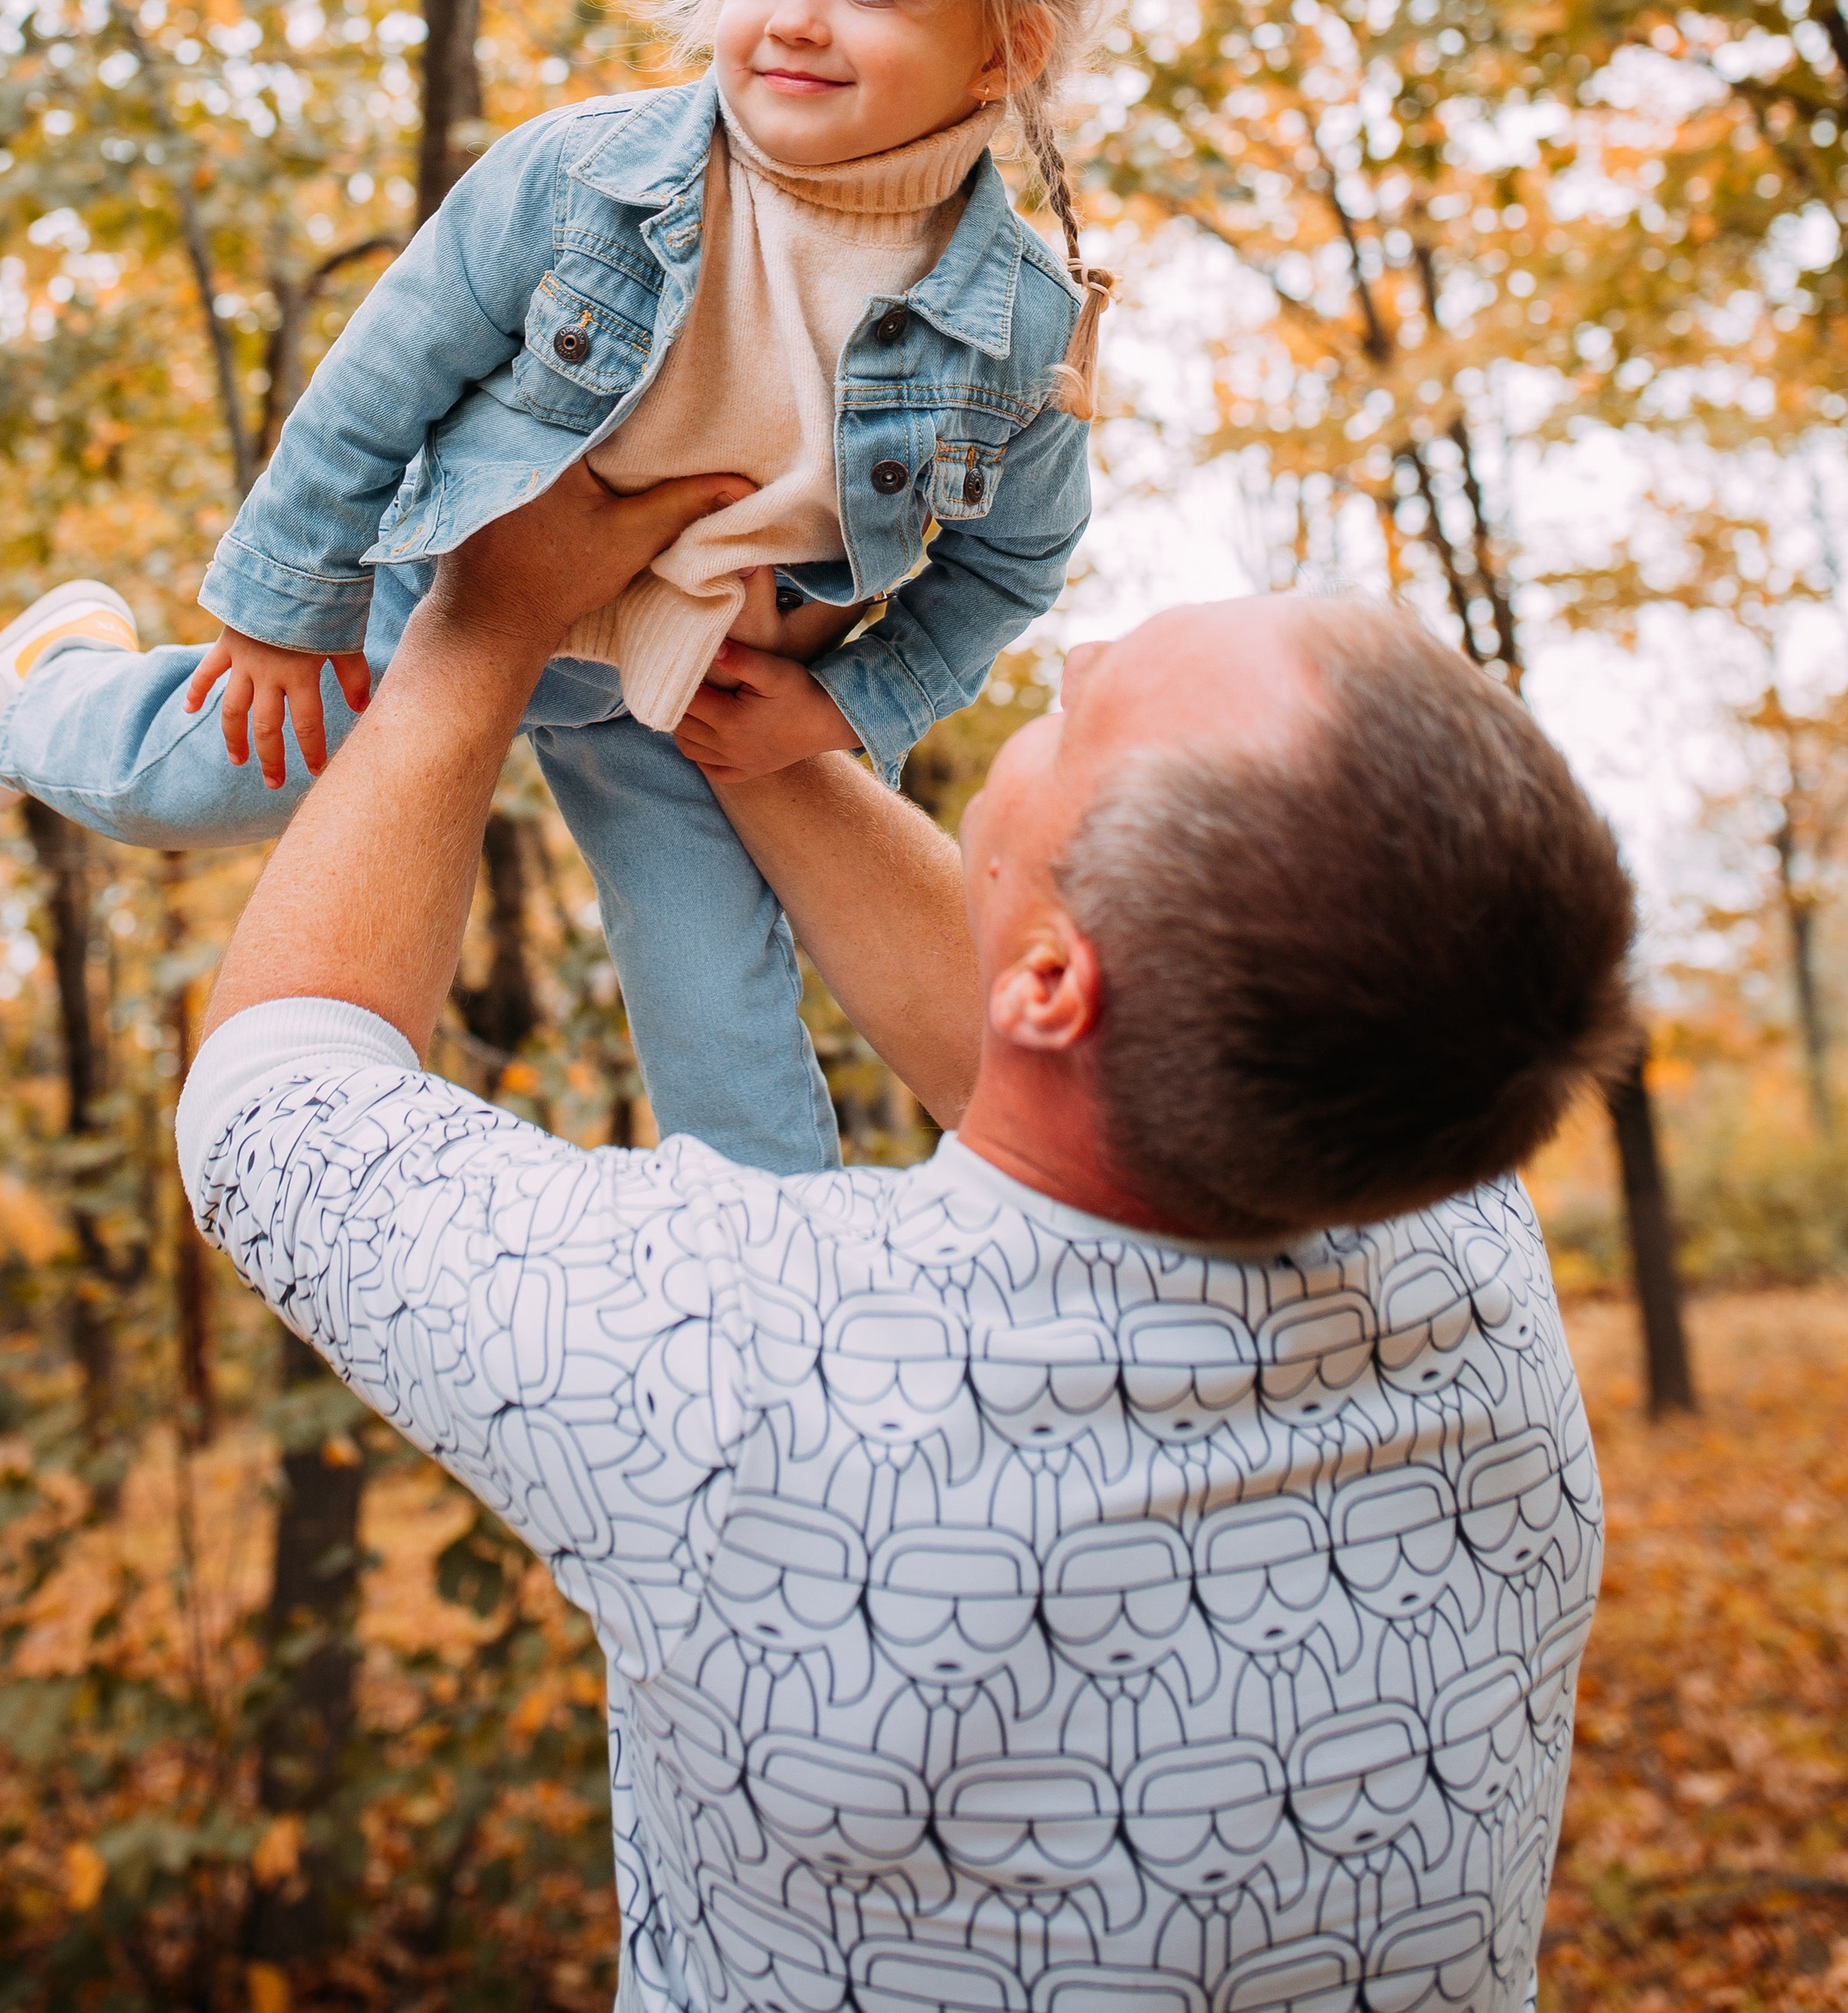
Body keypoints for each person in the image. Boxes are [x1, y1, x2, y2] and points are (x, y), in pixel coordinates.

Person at [179, 457, 1634, 2013]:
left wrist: (480, 632)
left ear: (1056, 982)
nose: (1077, 655)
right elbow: (1086, 1051)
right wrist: (732, 720)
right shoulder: (1466, 1255)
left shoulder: (746, 1366)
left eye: (1089, 715)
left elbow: (272, 1109)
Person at [0, 0, 1119, 1173]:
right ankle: (37, 698)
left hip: (683, 685)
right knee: (199, 782)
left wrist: (845, 707)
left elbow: (1013, 563)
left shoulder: (1020, 332)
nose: (791, 19)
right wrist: (287, 606)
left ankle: (765, 1269)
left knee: (720, 1008)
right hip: (453, 591)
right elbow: (379, 381)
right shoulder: (584, 178)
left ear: (1004, 49)